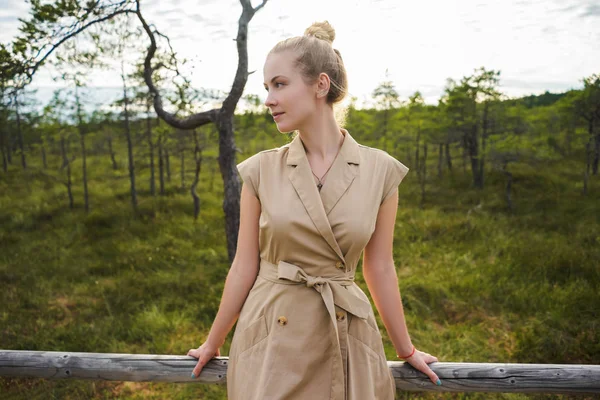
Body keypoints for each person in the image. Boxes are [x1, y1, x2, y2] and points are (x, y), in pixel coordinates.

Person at [187, 20, 441, 399]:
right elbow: (244, 265)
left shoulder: (381, 171)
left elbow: (380, 267)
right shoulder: (260, 170)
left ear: (321, 85)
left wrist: (405, 350)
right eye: (267, 87)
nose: (269, 99)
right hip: (273, 336)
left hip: (347, 333)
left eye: (280, 84)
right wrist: (213, 341)